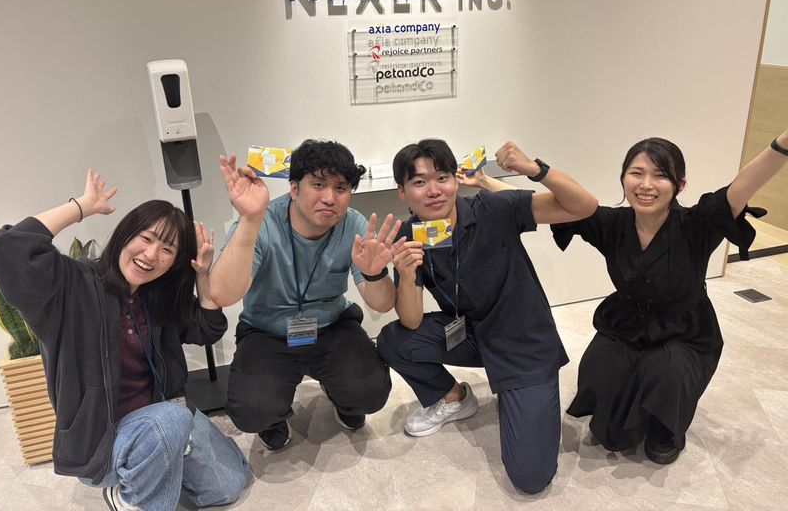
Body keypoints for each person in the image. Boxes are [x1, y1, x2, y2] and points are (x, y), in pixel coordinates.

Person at [0, 169, 250, 511]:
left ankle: (165, 454)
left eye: (167, 249)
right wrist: (82, 206)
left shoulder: (156, 296)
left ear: (173, 263)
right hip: (103, 440)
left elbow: (208, 329)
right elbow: (7, 250)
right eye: (146, 238)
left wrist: (201, 274)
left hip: (160, 418)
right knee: (172, 420)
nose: (152, 254)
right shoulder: (74, 285)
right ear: (126, 234)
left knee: (227, 486)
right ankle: (128, 497)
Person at [546, 129, 788, 465]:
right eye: (636, 173)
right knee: (601, 366)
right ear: (623, 179)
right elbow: (554, 205)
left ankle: (666, 429)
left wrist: (782, 145)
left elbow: (742, 186)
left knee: (666, 371)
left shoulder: (697, 223)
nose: (646, 185)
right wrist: (508, 179)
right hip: (628, 321)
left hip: (684, 329)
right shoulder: (612, 223)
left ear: (680, 185)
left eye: (660, 175)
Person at [376, 139, 598, 494]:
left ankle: (528, 396)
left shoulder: (494, 207)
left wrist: (535, 169)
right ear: (402, 192)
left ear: (455, 180)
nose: (433, 190)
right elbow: (412, 322)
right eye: (419, 182)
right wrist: (403, 274)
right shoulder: (409, 235)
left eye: (442, 177)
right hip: (470, 334)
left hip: (523, 343)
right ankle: (454, 398)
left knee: (530, 478)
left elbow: (583, 206)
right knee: (393, 341)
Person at [210, 139, 401, 451]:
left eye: (341, 188)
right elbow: (221, 294)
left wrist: (374, 273)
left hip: (332, 326)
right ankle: (273, 419)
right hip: (267, 332)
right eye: (318, 184)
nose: (329, 198)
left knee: (370, 392)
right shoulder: (260, 221)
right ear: (294, 188)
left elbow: (382, 303)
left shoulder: (353, 224)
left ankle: (342, 397)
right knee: (252, 410)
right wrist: (249, 220)